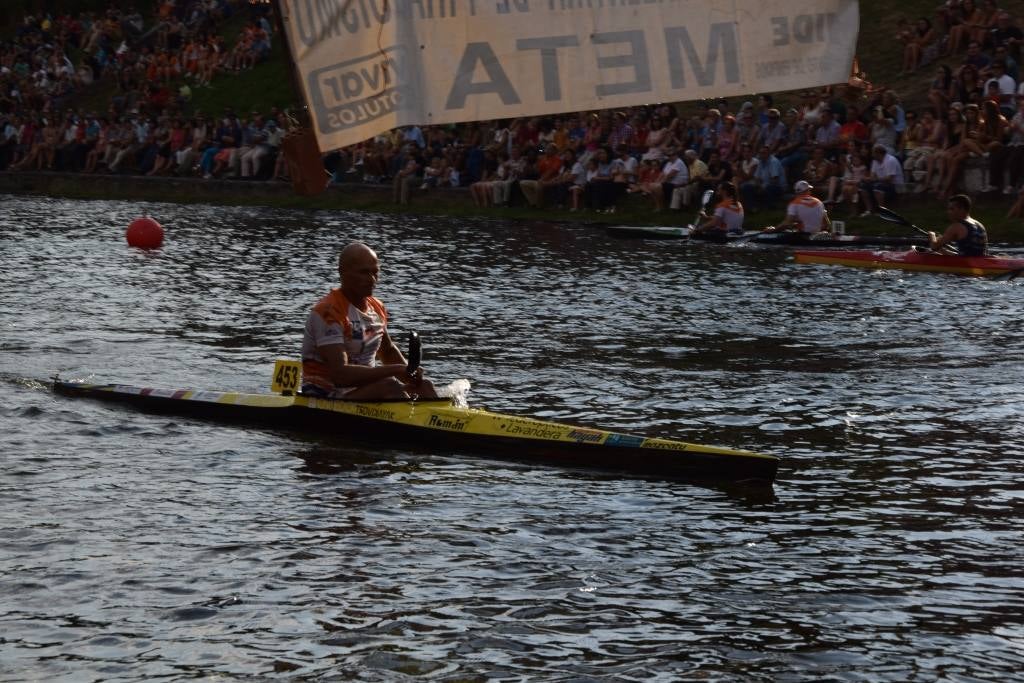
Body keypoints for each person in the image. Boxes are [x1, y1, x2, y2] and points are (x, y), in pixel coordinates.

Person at [301, 243, 438, 400]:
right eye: (364, 272)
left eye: (375, 272)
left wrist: (409, 374)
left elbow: (387, 351)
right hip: (327, 396)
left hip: (363, 391)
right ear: (343, 272)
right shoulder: (328, 312)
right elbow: (340, 376)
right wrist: (396, 370)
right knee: (389, 385)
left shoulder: (376, 307)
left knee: (425, 386)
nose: (372, 279)